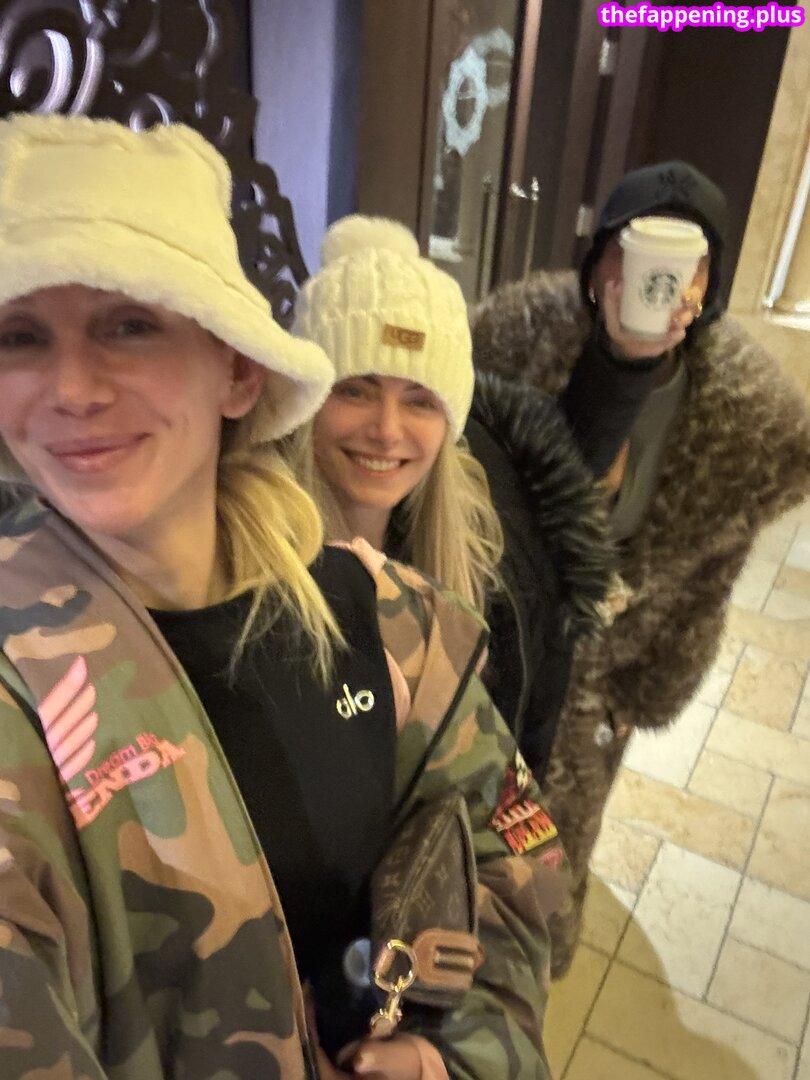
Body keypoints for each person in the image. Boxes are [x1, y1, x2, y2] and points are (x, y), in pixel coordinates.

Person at [0, 114, 569, 1080]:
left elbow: (520, 868)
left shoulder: (392, 620)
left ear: (237, 367)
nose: (74, 388)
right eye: (19, 336)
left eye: (128, 324)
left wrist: (455, 1059)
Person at [471, 160, 810, 976]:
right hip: (487, 629)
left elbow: (705, 584)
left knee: (550, 840)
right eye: (634, 254)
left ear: (708, 285)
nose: (659, 284)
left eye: (689, 266)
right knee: (453, 817)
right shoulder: (515, 336)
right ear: (598, 264)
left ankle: (521, 971)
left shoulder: (743, 417)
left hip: (600, 666)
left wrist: (641, 695)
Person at [289, 215, 615, 782]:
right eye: (355, 390)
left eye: (419, 400)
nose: (386, 430)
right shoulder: (249, 574)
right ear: (306, 401)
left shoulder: (488, 557)